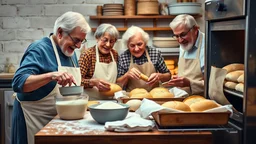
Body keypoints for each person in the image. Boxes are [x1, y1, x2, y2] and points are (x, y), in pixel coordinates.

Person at [11, 11, 91, 144]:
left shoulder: (71, 54)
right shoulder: (39, 49)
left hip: (56, 123)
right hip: (33, 121)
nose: (78, 46)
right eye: (76, 40)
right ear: (60, 32)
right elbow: (18, 82)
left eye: (82, 41)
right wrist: (51, 75)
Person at [117, 26, 171, 92]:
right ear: (127, 45)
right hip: (132, 97)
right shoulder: (124, 57)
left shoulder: (155, 53)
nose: (136, 49)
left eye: (139, 44)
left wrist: (160, 76)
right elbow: (118, 83)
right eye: (132, 45)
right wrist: (126, 75)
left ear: (145, 43)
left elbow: (168, 76)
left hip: (154, 95)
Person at [165, 14, 205, 96]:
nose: (179, 40)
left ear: (195, 29)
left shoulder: (208, 45)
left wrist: (190, 83)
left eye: (183, 34)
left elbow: (215, 85)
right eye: (176, 36)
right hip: (183, 97)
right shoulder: (184, 43)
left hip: (202, 100)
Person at [79, 23, 119, 100]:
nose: (108, 45)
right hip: (91, 101)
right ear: (97, 38)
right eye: (105, 40)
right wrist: (93, 82)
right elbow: (77, 81)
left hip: (111, 101)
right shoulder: (88, 55)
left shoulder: (115, 54)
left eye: (111, 41)